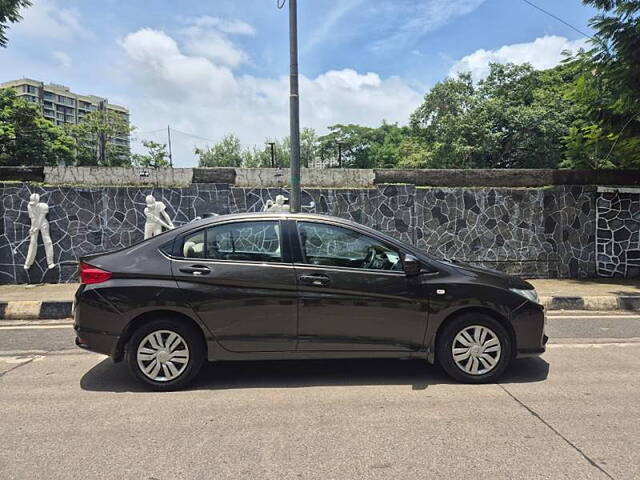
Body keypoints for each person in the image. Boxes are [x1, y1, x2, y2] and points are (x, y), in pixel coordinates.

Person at [24, 193, 55, 270]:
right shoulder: (29, 206)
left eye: (34, 203)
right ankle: (28, 263)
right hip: (34, 224)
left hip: (43, 223)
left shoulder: (43, 206)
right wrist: (32, 228)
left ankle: (50, 262)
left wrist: (36, 227)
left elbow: (41, 218)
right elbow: (33, 218)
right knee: (33, 242)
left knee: (47, 241)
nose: (32, 205)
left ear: (38, 201)